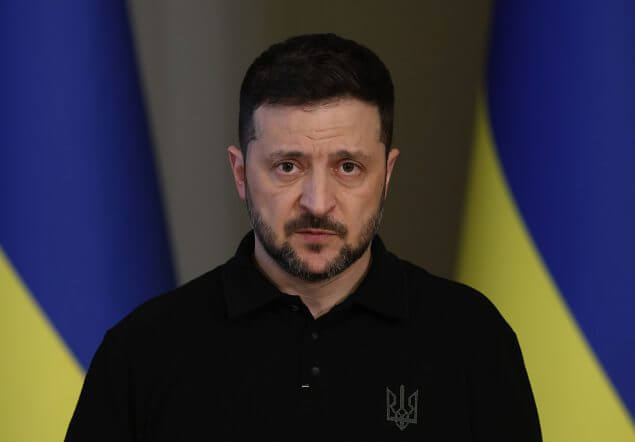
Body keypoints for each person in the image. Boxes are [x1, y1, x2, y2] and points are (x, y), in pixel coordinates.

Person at [66, 33, 541, 441]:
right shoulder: (142, 353)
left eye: (348, 167)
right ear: (240, 173)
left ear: (387, 175)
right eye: (288, 167)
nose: (317, 202)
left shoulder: (472, 341)